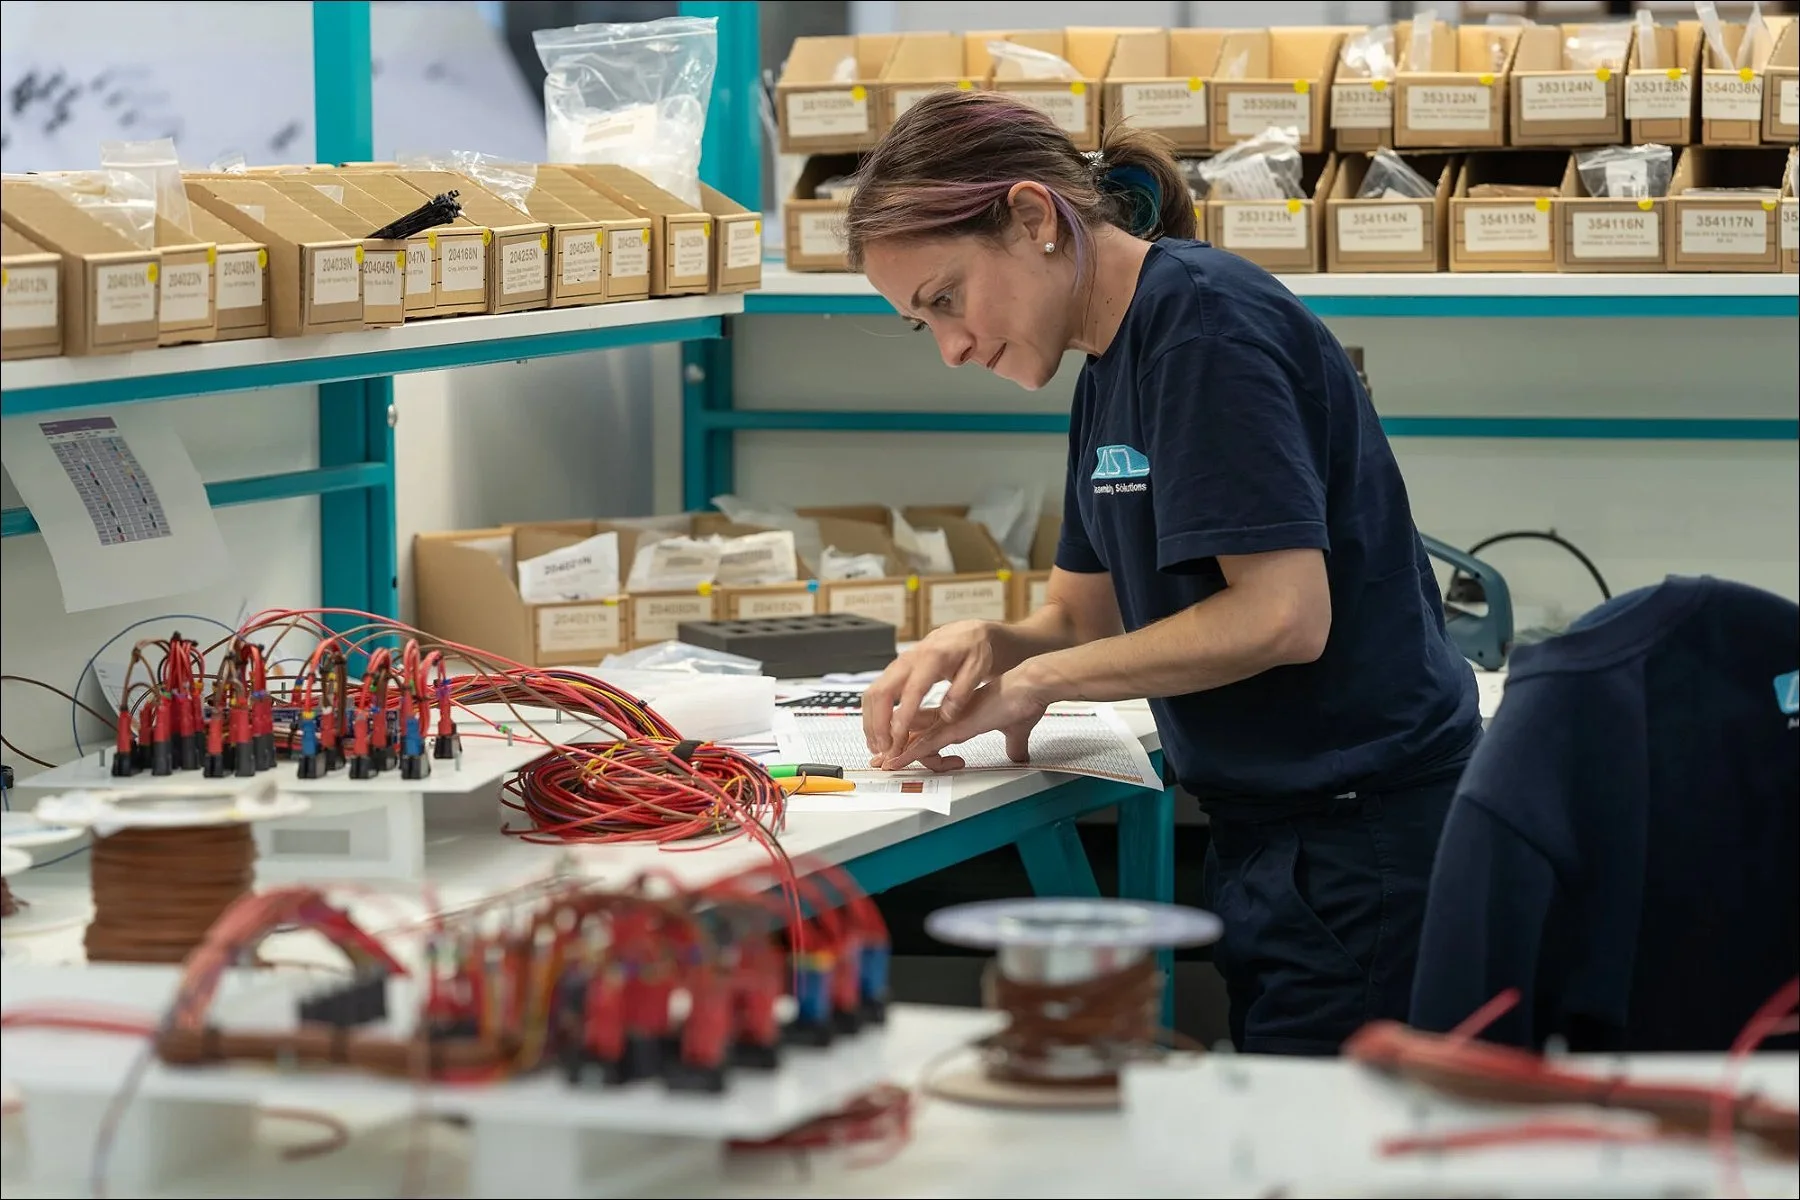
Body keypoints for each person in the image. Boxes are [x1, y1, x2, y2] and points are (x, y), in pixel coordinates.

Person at [844, 90, 1482, 1056]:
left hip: (1366, 845)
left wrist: (1038, 682)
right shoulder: (1110, 360)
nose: (953, 349)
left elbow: (1282, 618)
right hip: (1279, 834)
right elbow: (1082, 614)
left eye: (946, 299)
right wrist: (990, 641)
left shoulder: (1201, 328)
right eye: (919, 323)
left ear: (1032, 218)